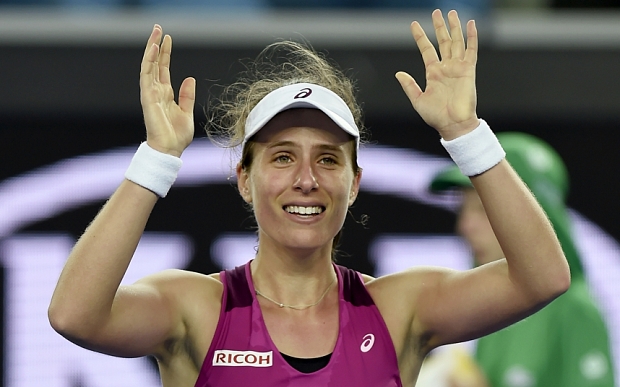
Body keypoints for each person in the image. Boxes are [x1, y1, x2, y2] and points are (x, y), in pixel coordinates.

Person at [47, 9, 571, 387]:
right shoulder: (195, 308)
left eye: (327, 159)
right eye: (281, 157)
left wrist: (465, 133)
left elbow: (543, 278)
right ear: (244, 180)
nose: (306, 179)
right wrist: (158, 159)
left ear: (354, 182)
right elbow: (75, 315)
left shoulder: (399, 309)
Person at [429, 132, 615, 387]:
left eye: (483, 210)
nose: (465, 226)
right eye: (462, 210)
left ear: (536, 214)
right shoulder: (497, 306)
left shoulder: (574, 310)